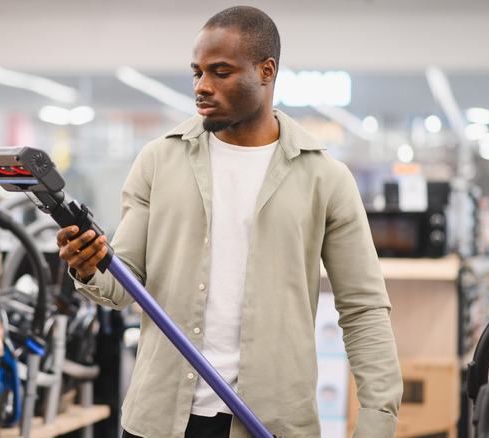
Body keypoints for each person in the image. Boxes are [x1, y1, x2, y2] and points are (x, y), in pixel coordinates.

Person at [56, 5, 402, 437]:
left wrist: (376, 423)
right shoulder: (159, 161)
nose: (202, 87)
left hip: (270, 423)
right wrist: (90, 266)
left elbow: (364, 309)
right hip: (160, 420)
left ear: (266, 71)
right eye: (197, 72)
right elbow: (122, 288)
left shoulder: (325, 178)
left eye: (220, 72)